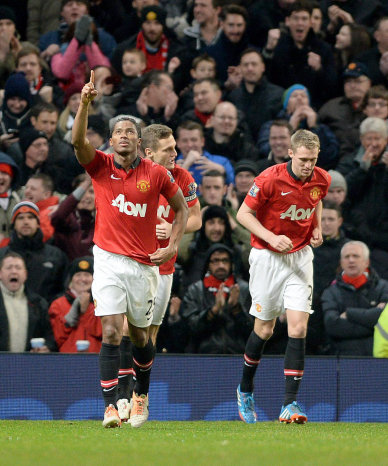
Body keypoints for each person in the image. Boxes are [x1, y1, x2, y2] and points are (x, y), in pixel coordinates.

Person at [71, 70, 188, 428]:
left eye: (130, 133)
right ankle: (110, 406)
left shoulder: (155, 173)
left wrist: (171, 247)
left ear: (139, 142)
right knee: (109, 330)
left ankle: (140, 395)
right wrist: (84, 104)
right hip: (106, 259)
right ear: (110, 140)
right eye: (118, 132)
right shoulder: (100, 166)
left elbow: (182, 209)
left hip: (143, 265)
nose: (123, 136)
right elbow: (77, 142)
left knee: (139, 336)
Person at [235, 129, 330, 424]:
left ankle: (290, 404)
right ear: (290, 153)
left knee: (299, 327)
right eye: (303, 159)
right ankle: (245, 388)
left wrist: (316, 227)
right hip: (267, 257)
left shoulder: (322, 178)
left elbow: (316, 200)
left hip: (300, 256)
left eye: (313, 160)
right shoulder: (269, 179)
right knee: (264, 329)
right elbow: (243, 215)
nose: (308, 166)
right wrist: (270, 237)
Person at [115, 123, 201, 422]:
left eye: (175, 147)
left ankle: (141, 395)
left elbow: (196, 220)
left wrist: (172, 228)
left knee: (148, 335)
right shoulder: (133, 175)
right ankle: (124, 397)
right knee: (127, 329)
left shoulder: (182, 178)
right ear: (149, 152)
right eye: (169, 149)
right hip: (131, 264)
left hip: (163, 268)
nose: (176, 153)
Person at [181, 243, 252, 353]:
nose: (221, 265)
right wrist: (213, 311)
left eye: (225, 260)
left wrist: (236, 309)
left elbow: (253, 331)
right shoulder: (195, 290)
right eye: (215, 261)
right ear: (207, 264)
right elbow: (188, 329)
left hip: (238, 355)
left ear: (232, 264)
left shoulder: (244, 290)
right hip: (203, 356)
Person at [321, 241, 388, 356]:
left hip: (378, 359)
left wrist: (350, 313)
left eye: (356, 256)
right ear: (341, 263)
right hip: (343, 361)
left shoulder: (383, 287)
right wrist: (373, 325)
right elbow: (333, 326)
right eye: (347, 257)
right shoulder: (330, 292)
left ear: (367, 262)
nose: (351, 260)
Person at [258, 84, 339, 170]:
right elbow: (265, 150)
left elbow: (330, 155)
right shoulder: (272, 126)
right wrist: (290, 128)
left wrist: (314, 128)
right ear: (286, 104)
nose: (299, 98)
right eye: (294, 96)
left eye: (303, 96)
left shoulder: (322, 128)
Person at [0, 201, 68, 302]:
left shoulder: (56, 255)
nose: (26, 222)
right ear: (14, 225)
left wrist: (46, 308)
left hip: (45, 315)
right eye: (20, 218)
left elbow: (65, 289)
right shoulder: (2, 255)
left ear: (37, 224)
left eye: (30, 217)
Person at [0, 251, 56, 352]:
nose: (14, 271)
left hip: (28, 365)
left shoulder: (38, 303)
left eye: (18, 268)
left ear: (25, 274)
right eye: (9, 268)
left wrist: (46, 347)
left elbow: (49, 337)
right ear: (0, 273)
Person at [226, 48, 284, 141]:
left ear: (263, 67)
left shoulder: (278, 94)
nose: (250, 68)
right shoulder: (233, 97)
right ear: (240, 68)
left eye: (254, 64)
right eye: (245, 65)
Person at [49, 256, 102, 353]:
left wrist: (86, 310)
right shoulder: (58, 304)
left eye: (87, 275)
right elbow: (57, 338)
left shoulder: (103, 303)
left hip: (96, 361)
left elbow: (102, 332)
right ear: (71, 279)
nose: (83, 279)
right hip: (68, 361)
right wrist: (71, 317)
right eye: (78, 275)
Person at [50, 173, 95, 261]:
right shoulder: (68, 219)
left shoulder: (100, 223)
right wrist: (86, 182)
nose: (86, 196)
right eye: (82, 191)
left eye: (91, 192)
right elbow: (58, 217)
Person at [176, 120, 234, 186]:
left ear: (202, 141)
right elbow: (167, 193)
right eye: (184, 141)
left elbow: (235, 187)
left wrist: (223, 172)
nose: (190, 145)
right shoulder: (169, 166)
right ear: (178, 143)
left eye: (194, 140)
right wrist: (185, 166)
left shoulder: (222, 162)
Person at [23, 173, 59, 243]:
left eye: (33, 189)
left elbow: (40, 238)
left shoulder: (49, 213)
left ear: (46, 194)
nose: (27, 191)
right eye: (26, 187)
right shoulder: (26, 209)